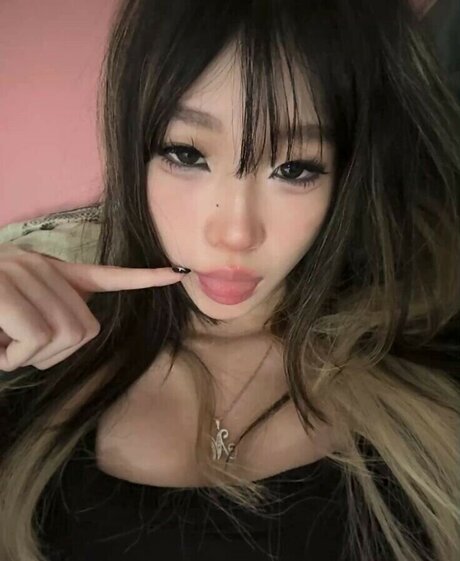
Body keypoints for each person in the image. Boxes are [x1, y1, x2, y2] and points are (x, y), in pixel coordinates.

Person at [0, 0, 459, 560]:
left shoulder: (432, 360)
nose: (236, 233)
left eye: (295, 168)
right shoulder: (31, 364)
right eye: (186, 153)